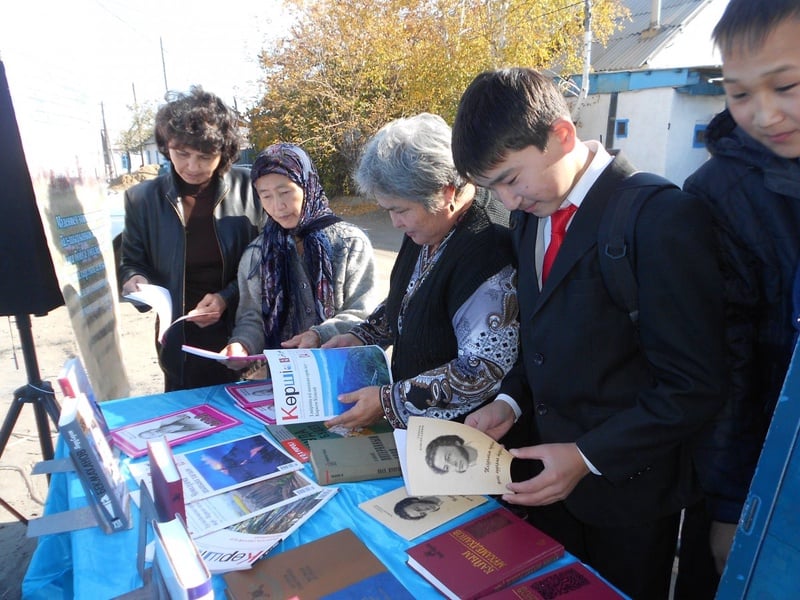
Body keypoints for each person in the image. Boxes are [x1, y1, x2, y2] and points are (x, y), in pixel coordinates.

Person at [451, 67, 726, 599]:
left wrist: (586, 456)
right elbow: (541, 340)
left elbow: (694, 385)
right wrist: (510, 401)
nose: (507, 200)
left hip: (630, 500)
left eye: (510, 178)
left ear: (561, 134)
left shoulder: (659, 217)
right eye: (492, 188)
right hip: (546, 488)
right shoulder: (530, 216)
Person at [677, 1, 800, 596]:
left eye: (788, 85)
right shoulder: (718, 197)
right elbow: (727, 365)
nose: (766, 113)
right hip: (763, 482)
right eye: (739, 93)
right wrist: (730, 508)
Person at [322, 113, 519, 430]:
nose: (395, 223)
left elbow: (481, 370)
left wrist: (389, 402)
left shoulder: (486, 247)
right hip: (419, 430)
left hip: (462, 438)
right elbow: (409, 297)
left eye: (399, 210)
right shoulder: (429, 224)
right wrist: (361, 336)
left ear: (446, 193)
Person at [119, 86, 263, 392]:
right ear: (165, 146)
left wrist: (226, 297)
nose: (192, 166)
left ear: (223, 151)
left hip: (249, 330)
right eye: (181, 153)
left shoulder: (252, 188)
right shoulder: (141, 199)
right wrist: (135, 281)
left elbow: (269, 263)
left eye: (205, 155)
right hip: (182, 339)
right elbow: (132, 261)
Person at [220, 143, 378, 365]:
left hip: (341, 372)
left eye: (285, 192)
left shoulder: (349, 243)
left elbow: (365, 314)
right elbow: (252, 316)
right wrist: (242, 343)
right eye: (266, 196)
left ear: (308, 185)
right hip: (284, 379)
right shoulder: (258, 254)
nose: (278, 206)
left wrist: (320, 334)